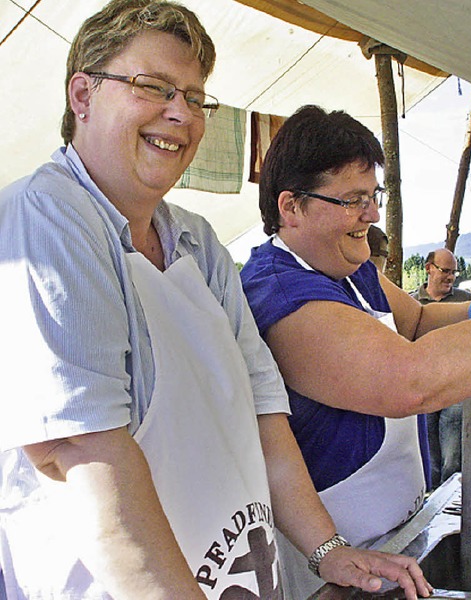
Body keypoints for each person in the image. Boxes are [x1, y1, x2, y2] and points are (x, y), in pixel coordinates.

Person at [0, 5, 432, 599]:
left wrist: (327, 551)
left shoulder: (197, 242)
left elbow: (262, 412)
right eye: (152, 87)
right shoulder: (47, 218)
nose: (179, 113)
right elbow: (80, 450)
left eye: (195, 97)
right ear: (82, 94)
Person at [240, 105, 471, 595]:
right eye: (354, 200)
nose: (371, 215)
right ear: (291, 206)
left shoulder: (350, 269)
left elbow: (414, 321)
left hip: (397, 542)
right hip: (327, 572)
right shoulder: (280, 292)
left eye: (373, 196)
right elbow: (407, 382)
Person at [410, 248, 471, 488]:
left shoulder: (467, 302)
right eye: (445, 271)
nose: (450, 277)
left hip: (456, 390)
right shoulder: (411, 303)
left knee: (453, 457)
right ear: (429, 268)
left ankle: (450, 501)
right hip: (423, 390)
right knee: (427, 456)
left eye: (454, 272)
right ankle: (428, 499)